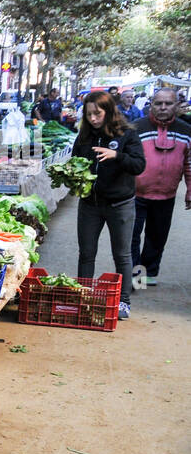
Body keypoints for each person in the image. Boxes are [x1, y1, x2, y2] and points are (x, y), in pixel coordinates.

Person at [72, 90, 145, 320]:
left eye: (98, 113)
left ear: (109, 111)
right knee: (86, 253)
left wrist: (117, 156)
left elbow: (139, 165)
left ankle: (123, 301)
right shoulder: (84, 136)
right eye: (89, 114)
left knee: (122, 255)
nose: (93, 119)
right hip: (89, 204)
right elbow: (75, 161)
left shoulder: (127, 134)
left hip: (120, 204)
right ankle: (83, 297)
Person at [129, 88, 191, 286]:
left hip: (166, 196)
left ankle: (149, 274)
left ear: (176, 105)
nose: (163, 107)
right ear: (151, 104)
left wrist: (190, 190)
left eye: (168, 103)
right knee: (131, 236)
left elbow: (189, 162)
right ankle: (135, 276)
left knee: (157, 236)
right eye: (158, 103)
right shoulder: (135, 128)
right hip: (135, 193)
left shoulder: (186, 130)